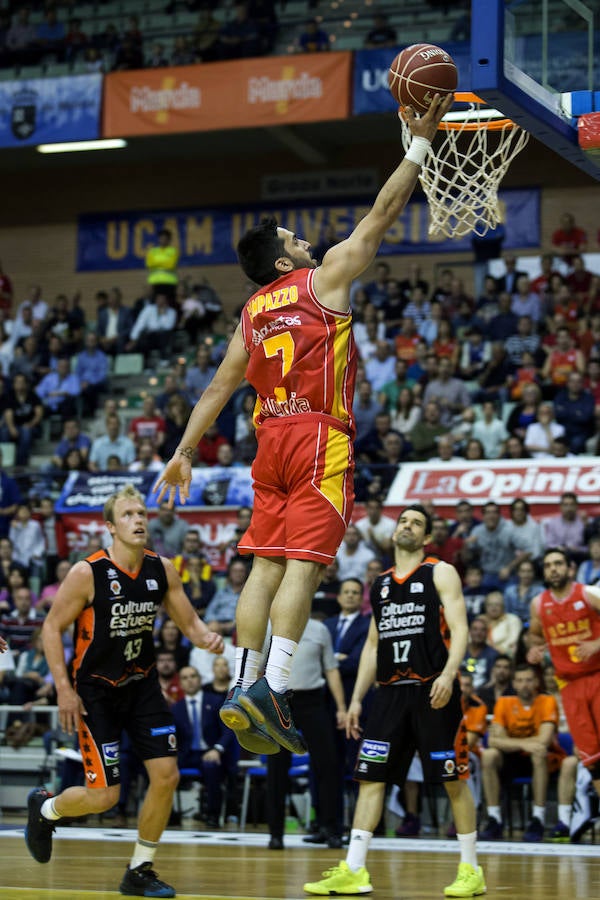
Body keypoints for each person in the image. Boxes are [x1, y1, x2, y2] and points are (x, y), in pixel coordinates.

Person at [153, 93, 455, 758]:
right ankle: (278, 690)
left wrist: (183, 450)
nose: (306, 240)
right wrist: (417, 143)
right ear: (286, 262)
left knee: (261, 567)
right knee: (305, 570)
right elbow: (383, 214)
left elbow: (218, 386)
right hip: (321, 435)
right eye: (295, 240)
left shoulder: (254, 313)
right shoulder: (324, 281)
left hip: (269, 443)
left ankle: (241, 684)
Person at [24, 485, 223, 898]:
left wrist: (210, 639)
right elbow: (50, 627)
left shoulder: (161, 568)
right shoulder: (87, 572)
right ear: (111, 526)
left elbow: (190, 624)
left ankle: (139, 869)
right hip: (95, 692)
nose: (139, 520)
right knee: (103, 797)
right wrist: (63, 688)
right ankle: (45, 810)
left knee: (166, 777)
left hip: (142, 685)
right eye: (129, 514)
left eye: (142, 514)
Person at [304, 504, 485, 898]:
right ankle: (354, 869)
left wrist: (450, 675)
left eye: (416, 523)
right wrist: (354, 701)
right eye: (403, 520)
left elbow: (460, 628)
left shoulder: (439, 572)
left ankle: (471, 869)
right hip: (388, 694)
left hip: (432, 691)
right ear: (393, 532)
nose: (407, 526)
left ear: (426, 538)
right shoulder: (380, 584)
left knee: (453, 779)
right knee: (370, 777)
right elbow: (372, 645)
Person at [527, 547, 600, 817]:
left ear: (570, 569)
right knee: (592, 759)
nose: (553, 569)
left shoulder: (589, 594)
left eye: (558, 564)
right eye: (548, 565)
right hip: (568, 685)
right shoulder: (538, 604)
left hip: (597, 676)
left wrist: (597, 643)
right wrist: (536, 649)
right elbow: (535, 636)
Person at [479, 663, 566, 842]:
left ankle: (538, 819)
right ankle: (494, 818)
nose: (524, 684)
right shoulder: (504, 702)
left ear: (536, 682)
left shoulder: (547, 700)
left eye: (528, 680)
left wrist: (510, 742)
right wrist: (525, 744)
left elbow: (544, 740)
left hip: (541, 760)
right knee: (489, 755)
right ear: (514, 683)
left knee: (539, 752)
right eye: (519, 680)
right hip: (511, 758)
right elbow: (494, 741)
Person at [171, 665, 237, 826]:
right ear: (180, 683)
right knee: (162, 768)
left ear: (200, 680)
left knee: (211, 766)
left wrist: (217, 749)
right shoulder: (175, 708)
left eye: (193, 676)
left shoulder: (215, 701)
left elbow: (229, 729)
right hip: (186, 755)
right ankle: (170, 813)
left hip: (209, 752)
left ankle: (213, 814)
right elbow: (172, 737)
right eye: (185, 678)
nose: (190, 681)